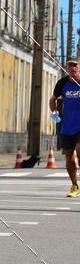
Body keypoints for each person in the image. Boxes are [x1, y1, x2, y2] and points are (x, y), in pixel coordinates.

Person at [49, 59, 80, 197]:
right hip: (67, 125)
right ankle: (74, 186)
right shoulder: (62, 83)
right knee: (69, 156)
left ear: (79, 68)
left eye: (75, 66)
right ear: (67, 69)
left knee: (79, 152)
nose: (73, 68)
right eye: (70, 66)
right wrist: (55, 111)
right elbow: (52, 99)